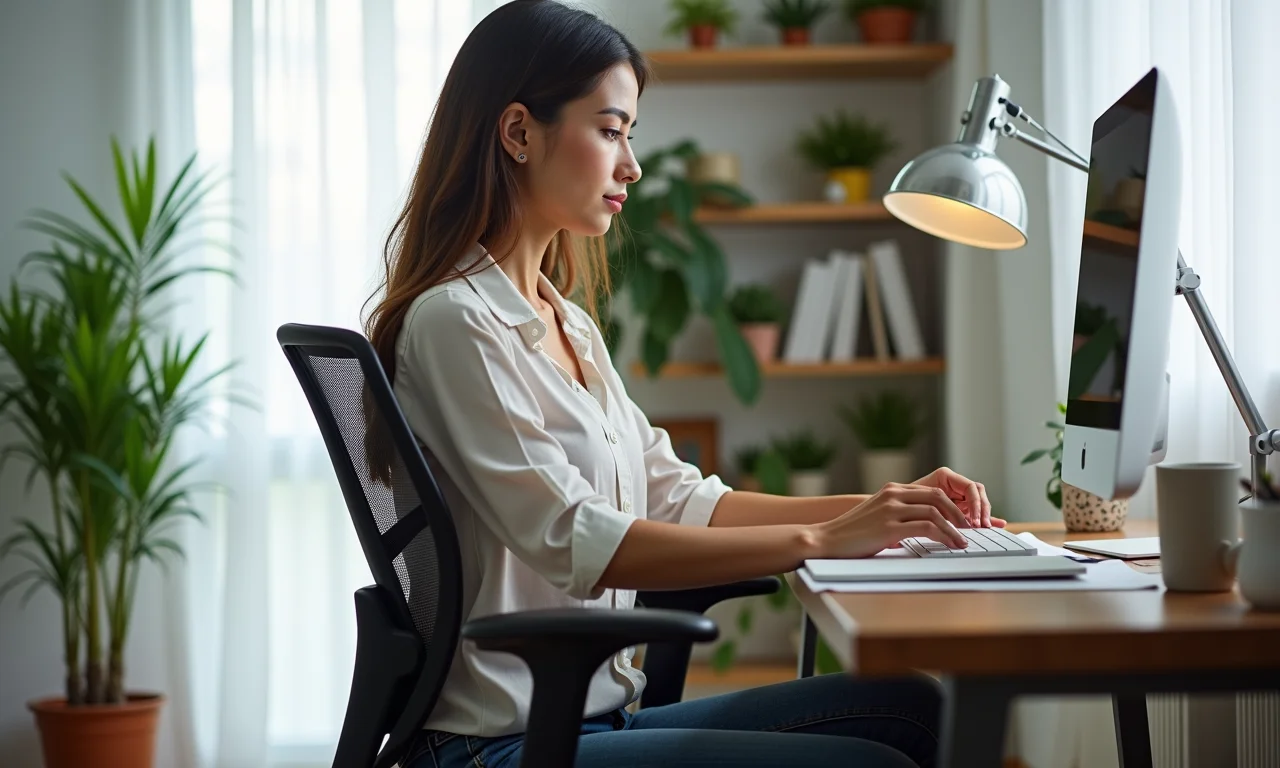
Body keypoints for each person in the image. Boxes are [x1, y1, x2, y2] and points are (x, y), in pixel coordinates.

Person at [363, 2, 1003, 766]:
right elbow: (577, 539)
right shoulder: (457, 323)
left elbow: (683, 499)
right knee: (876, 758)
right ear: (519, 133)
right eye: (610, 130)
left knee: (911, 709)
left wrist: (884, 509)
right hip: (499, 745)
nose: (631, 164)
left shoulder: (563, 321)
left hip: (589, 720)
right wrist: (821, 541)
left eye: (628, 134)